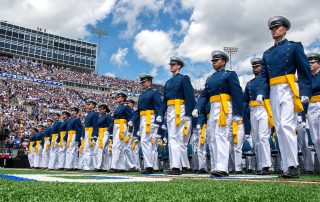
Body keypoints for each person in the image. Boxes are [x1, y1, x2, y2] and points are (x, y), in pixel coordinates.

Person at [256, 16, 312, 178]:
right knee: (279, 127)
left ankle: (293, 164)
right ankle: (287, 166)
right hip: (273, 90)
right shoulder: (267, 54)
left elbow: (304, 70)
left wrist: (306, 91)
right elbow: (263, 75)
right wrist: (261, 91)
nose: (274, 30)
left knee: (287, 125)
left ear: (285, 29)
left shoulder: (294, 47)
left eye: (278, 27)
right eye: (272, 28)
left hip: (288, 88)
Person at [192, 50, 243, 177]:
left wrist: (238, 113)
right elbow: (204, 95)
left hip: (224, 107)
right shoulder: (210, 79)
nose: (214, 63)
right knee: (212, 137)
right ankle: (216, 166)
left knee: (221, 135)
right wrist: (197, 107)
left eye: (216, 60)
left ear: (224, 61)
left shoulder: (230, 75)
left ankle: (222, 167)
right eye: (213, 61)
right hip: (213, 108)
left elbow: (237, 94)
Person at [158, 56, 196, 175]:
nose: (171, 66)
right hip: (170, 110)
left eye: (173, 64)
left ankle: (176, 166)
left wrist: (188, 113)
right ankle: (182, 165)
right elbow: (165, 100)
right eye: (170, 64)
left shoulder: (184, 78)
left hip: (181, 109)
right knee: (173, 138)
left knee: (177, 139)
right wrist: (160, 113)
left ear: (179, 66)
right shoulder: (168, 82)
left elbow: (190, 96)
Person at [243, 57, 273, 175]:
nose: (255, 68)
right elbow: (245, 100)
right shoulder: (249, 83)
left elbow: (267, 90)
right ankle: (261, 165)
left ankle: (267, 165)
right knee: (256, 139)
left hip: (264, 108)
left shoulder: (267, 79)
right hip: (253, 110)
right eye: (253, 67)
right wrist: (244, 112)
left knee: (263, 137)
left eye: (257, 66)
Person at [129, 74, 162, 174]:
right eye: (141, 82)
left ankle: (150, 165)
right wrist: (132, 120)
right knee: (144, 142)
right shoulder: (142, 94)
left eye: (144, 82)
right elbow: (139, 110)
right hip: (143, 119)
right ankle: (149, 165)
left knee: (148, 142)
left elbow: (159, 107)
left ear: (149, 82)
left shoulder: (154, 92)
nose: (142, 84)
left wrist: (157, 121)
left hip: (151, 118)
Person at [110, 92, 133, 172]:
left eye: (118, 97)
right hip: (116, 126)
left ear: (123, 98)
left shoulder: (126, 107)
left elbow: (130, 119)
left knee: (116, 146)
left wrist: (129, 132)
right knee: (121, 147)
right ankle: (121, 166)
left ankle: (114, 166)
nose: (117, 98)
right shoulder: (118, 107)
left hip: (122, 126)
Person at [307, 52, 320, 167]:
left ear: (318, 63)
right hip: (311, 107)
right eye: (308, 63)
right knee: (315, 138)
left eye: (312, 62)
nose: (310, 64)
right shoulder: (307, 79)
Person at [94, 104, 113, 171]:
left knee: (102, 149)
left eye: (100, 109)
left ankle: (101, 166)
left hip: (105, 133)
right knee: (97, 150)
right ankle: (101, 165)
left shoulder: (108, 116)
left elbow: (111, 124)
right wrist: (95, 136)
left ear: (104, 109)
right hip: (100, 133)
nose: (99, 110)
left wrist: (109, 132)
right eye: (99, 109)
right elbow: (97, 127)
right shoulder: (100, 116)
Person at [83, 99, 99, 171]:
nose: (87, 105)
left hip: (91, 132)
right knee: (87, 149)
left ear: (93, 105)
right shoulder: (88, 114)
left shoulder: (95, 114)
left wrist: (94, 135)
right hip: (87, 132)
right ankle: (89, 166)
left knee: (89, 149)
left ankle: (88, 166)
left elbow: (95, 125)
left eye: (89, 104)